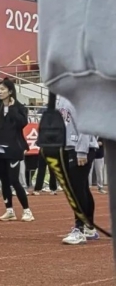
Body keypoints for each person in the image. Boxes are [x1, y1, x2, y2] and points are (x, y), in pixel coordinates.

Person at [0, 78, 34, 222]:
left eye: (2, 89)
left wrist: (12, 108)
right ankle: (9, 210)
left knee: (14, 180)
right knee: (4, 181)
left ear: (10, 91)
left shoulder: (20, 108)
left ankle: (27, 210)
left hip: (13, 150)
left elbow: (22, 123)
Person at [55, 96, 100, 245]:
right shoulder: (61, 98)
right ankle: (89, 228)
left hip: (81, 148)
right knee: (81, 188)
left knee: (77, 189)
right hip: (69, 147)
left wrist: (82, 150)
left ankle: (79, 229)